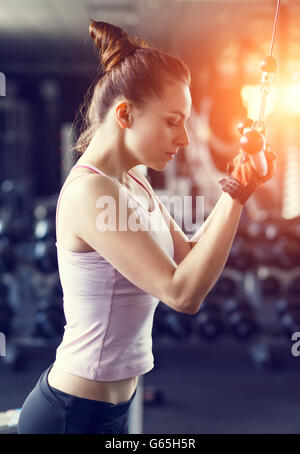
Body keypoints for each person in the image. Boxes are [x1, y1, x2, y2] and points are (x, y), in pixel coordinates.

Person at [18, 20, 276, 434]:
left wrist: (234, 189)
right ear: (125, 114)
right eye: (173, 121)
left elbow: (187, 257)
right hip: (72, 416)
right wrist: (238, 196)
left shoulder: (134, 178)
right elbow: (182, 293)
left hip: (109, 410)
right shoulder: (91, 194)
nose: (185, 138)